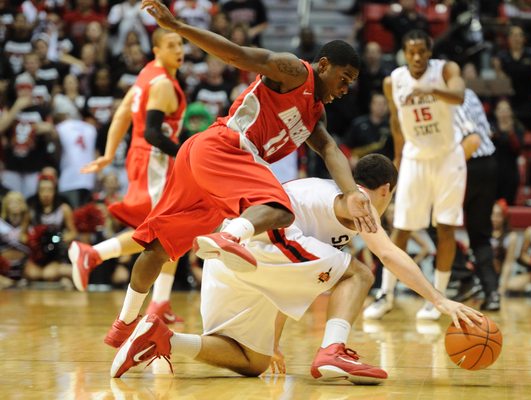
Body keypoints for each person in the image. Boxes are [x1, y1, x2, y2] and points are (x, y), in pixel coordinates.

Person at [102, 0, 375, 354]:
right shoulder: (295, 72)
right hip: (225, 146)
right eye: (343, 78)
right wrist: (178, 26)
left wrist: (351, 191)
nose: (345, 89)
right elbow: (236, 54)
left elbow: (331, 151)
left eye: (351, 83)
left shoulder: (315, 115)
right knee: (279, 207)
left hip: (204, 162)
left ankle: (123, 324)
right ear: (323, 65)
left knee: (160, 247)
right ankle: (229, 238)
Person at [110, 155, 483, 381]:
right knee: (359, 273)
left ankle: (164, 338)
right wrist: (439, 300)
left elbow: (290, 278)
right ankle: (333, 349)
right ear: (385, 189)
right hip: (260, 240)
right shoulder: (356, 201)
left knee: (252, 360)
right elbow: (387, 254)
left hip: (236, 256)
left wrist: (273, 339)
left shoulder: (332, 195)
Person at [69, 28, 187, 329]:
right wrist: (184, 153)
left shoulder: (147, 74)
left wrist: (109, 154)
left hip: (143, 157)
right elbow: (151, 132)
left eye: (181, 43)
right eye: (170, 44)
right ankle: (92, 254)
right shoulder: (161, 84)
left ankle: (160, 303)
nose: (178, 49)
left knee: (172, 229)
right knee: (162, 232)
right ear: (157, 50)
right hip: (155, 159)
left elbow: (122, 113)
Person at [378, 29, 466, 321]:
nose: (416, 57)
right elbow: (395, 121)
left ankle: (438, 300)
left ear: (430, 52)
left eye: (421, 51)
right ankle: (385, 293)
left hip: (447, 157)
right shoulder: (394, 80)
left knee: (445, 228)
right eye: (411, 52)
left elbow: (459, 95)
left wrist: (432, 90)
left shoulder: (446, 70)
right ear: (404, 53)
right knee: (401, 229)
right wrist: (398, 157)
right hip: (415, 159)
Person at [452, 88, 500, 311]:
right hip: (489, 164)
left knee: (434, 222)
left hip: (466, 162)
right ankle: (492, 294)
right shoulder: (470, 92)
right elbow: (487, 132)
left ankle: (466, 279)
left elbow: (470, 137)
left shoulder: (445, 95)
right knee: (480, 234)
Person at [491, 99, 523, 205]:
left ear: (511, 112)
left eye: (506, 110)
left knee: (508, 204)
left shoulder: (518, 129)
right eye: (501, 110)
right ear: (496, 112)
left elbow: (517, 149)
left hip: (510, 174)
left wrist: (510, 133)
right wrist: (496, 134)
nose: (504, 113)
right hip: (493, 173)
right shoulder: (491, 127)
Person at [491, 200, 518, 296]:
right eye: (492, 214)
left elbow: (508, 263)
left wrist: (502, 287)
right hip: (483, 274)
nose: (494, 218)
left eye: (498, 215)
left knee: (514, 285)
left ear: (504, 217)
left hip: (501, 275)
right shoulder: (482, 234)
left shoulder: (511, 236)